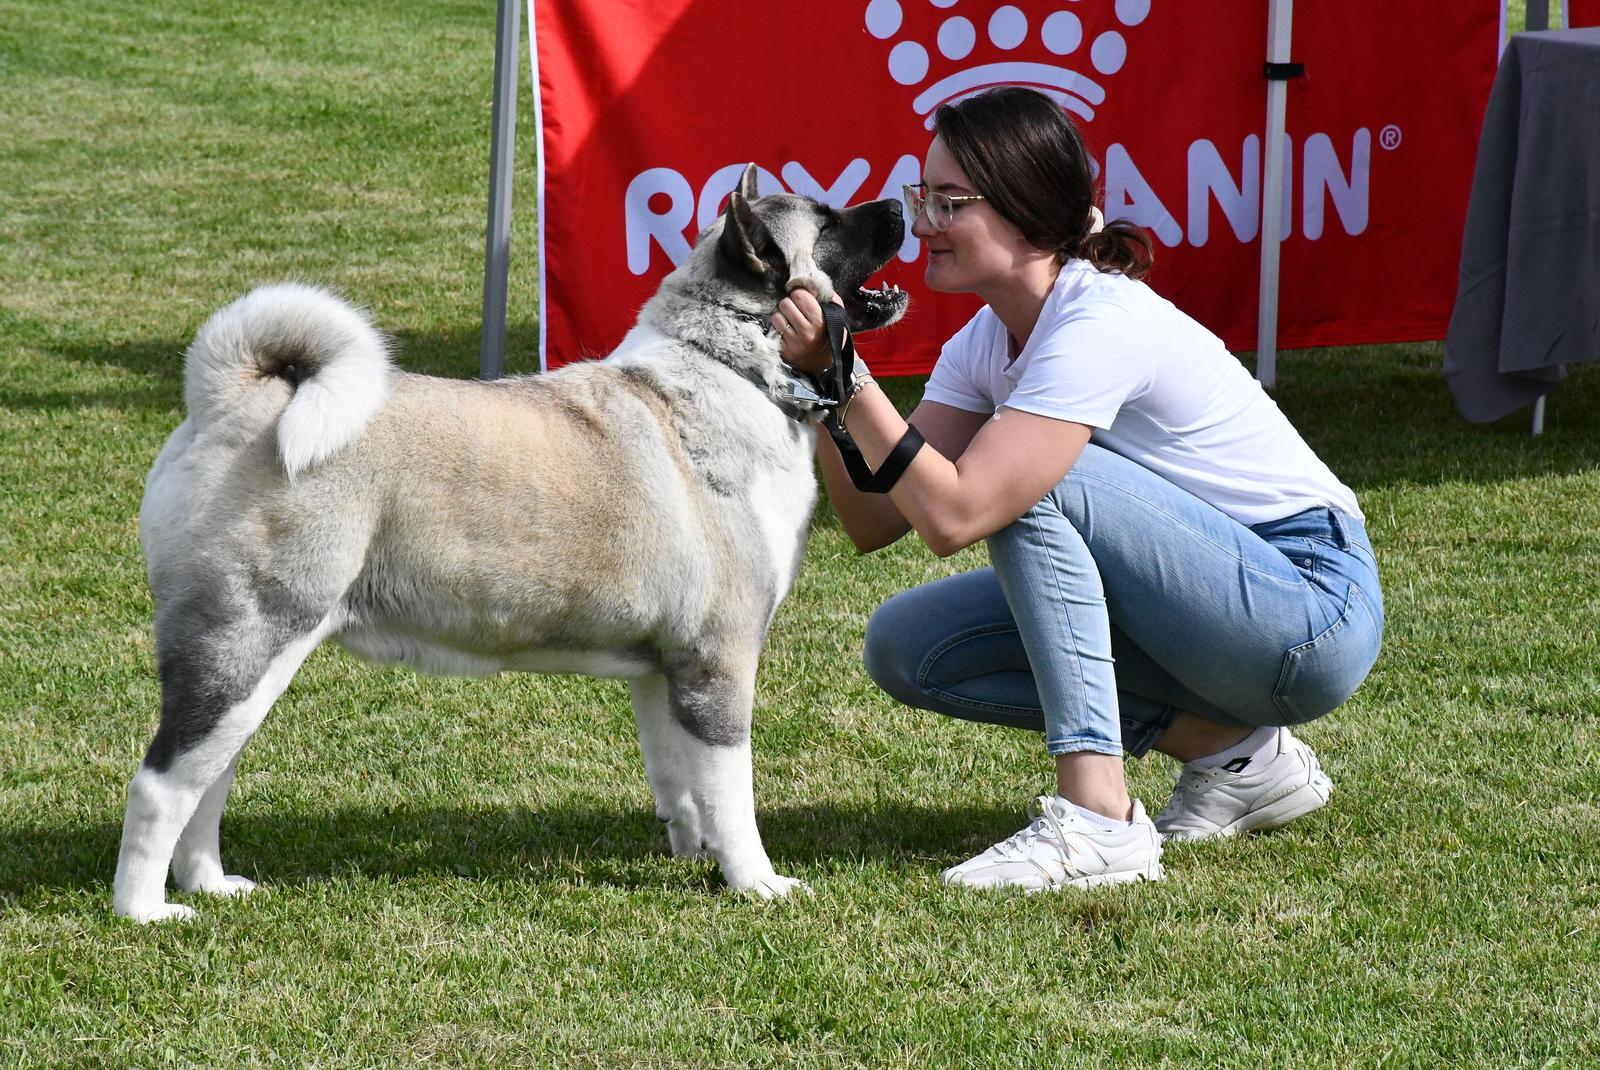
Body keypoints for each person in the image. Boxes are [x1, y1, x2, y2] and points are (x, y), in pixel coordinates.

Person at [769, 87, 1383, 893]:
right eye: (924, 197)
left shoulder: (1099, 322)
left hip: (1310, 606)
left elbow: (959, 512)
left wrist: (845, 373)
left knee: (1032, 484)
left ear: (1026, 213)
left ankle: (1100, 821)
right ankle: (1237, 757)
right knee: (907, 647)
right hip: (1217, 612)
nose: (922, 224)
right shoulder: (988, 339)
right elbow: (877, 516)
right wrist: (819, 384)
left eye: (949, 202)